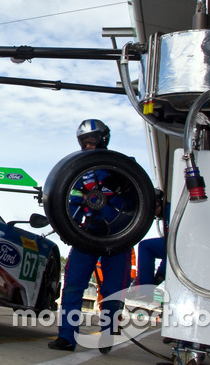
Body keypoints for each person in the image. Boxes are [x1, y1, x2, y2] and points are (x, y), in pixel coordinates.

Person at [48, 119, 135, 354]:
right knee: (74, 286)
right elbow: (72, 203)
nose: (88, 146)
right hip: (87, 236)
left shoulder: (125, 166)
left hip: (118, 237)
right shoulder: (79, 171)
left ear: (103, 139)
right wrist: (68, 228)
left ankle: (107, 336)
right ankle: (66, 337)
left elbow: (139, 201)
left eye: (92, 141)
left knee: (114, 290)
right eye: (84, 142)